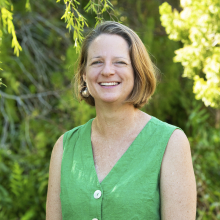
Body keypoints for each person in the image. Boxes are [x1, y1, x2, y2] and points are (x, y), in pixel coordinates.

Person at [46, 21, 197, 220]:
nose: (107, 71)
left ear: (137, 72)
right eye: (97, 62)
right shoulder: (65, 147)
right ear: (84, 75)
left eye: (120, 62)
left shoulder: (170, 143)